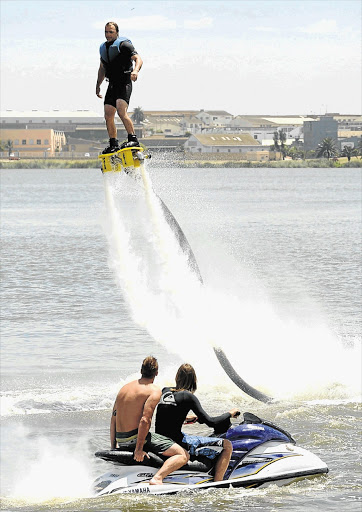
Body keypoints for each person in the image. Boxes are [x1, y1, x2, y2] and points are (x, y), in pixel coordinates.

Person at [110, 356, 189, 485]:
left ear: (141, 370)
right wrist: (139, 449)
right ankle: (158, 478)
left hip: (121, 439)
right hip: (135, 438)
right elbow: (145, 420)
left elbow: (113, 418)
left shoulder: (123, 389)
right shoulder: (154, 390)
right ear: (156, 373)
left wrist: (113, 447)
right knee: (183, 455)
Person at [155, 363, 240, 481]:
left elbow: (166, 414)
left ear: (177, 378)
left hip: (160, 440)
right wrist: (229, 413)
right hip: (177, 442)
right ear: (194, 380)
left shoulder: (165, 391)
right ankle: (218, 484)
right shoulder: (188, 396)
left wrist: (184, 417)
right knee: (227, 445)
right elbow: (211, 422)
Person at [96, 21, 143, 154]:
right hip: (112, 83)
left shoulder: (124, 45)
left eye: (111, 32)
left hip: (124, 81)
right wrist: (98, 85)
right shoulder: (103, 48)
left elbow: (138, 59)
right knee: (108, 113)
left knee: (121, 111)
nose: (108, 35)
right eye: (106, 32)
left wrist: (136, 71)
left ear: (117, 32)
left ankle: (133, 139)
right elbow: (102, 68)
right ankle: (113, 144)